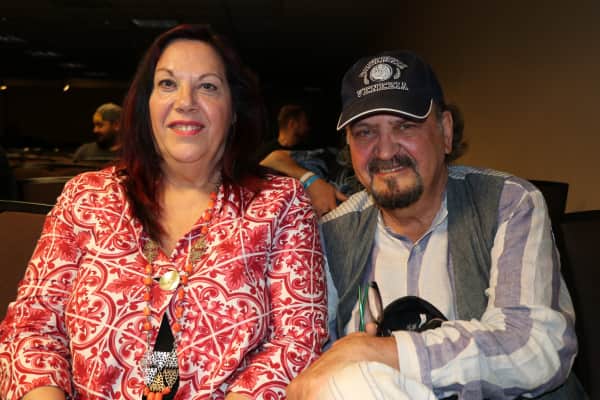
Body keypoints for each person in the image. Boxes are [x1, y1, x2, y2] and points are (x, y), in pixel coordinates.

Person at [0, 24, 327, 399]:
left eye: (208, 86)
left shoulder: (280, 203)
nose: (186, 101)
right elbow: (32, 327)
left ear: (234, 109)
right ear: (147, 104)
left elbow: (297, 340)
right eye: (168, 84)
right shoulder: (87, 197)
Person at [287, 50, 582, 399]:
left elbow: (533, 347)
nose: (385, 151)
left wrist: (382, 352)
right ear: (349, 147)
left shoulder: (508, 202)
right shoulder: (331, 234)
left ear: (445, 131)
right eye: (365, 132)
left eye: (405, 126)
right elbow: (308, 359)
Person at [256, 104, 347, 217]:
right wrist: (310, 180)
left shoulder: (309, 147)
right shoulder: (265, 151)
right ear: (292, 124)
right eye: (304, 123)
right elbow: (272, 160)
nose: (307, 127)